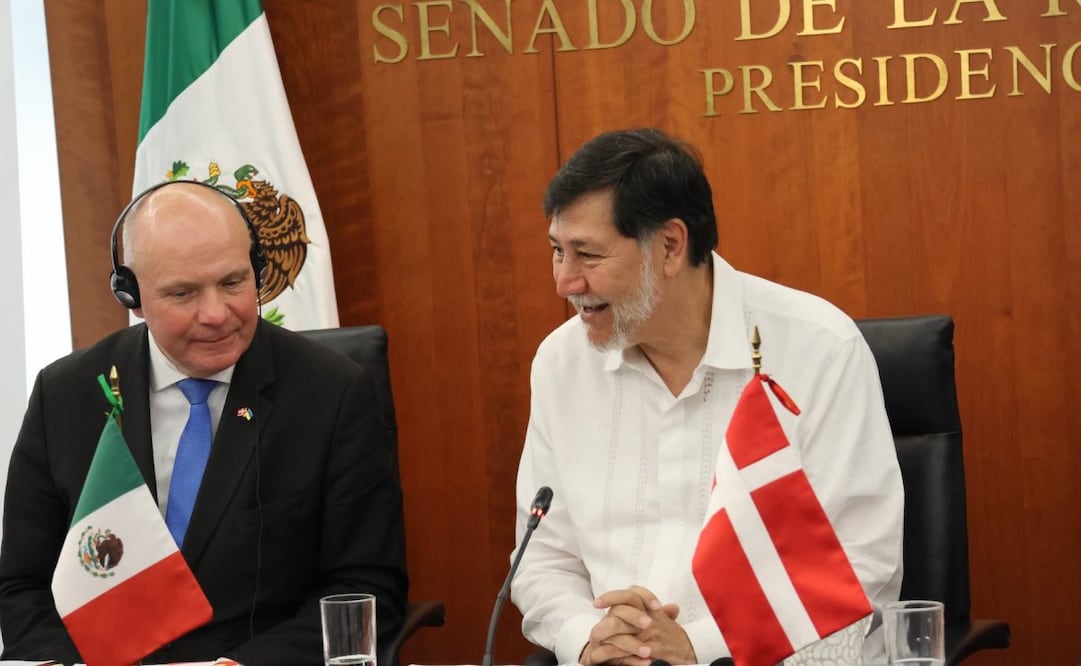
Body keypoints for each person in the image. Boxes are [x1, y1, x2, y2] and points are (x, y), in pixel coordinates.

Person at [510, 128, 903, 665]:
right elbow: (541, 559)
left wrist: (699, 647)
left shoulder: (819, 350)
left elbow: (859, 564)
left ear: (670, 246)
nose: (564, 281)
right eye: (558, 251)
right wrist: (588, 636)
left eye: (588, 254)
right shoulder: (561, 363)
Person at [0, 181, 408, 665]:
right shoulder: (66, 395)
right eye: (183, 293)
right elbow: (23, 585)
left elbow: (366, 588)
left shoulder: (332, 392)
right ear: (131, 295)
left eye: (233, 283)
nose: (216, 314)